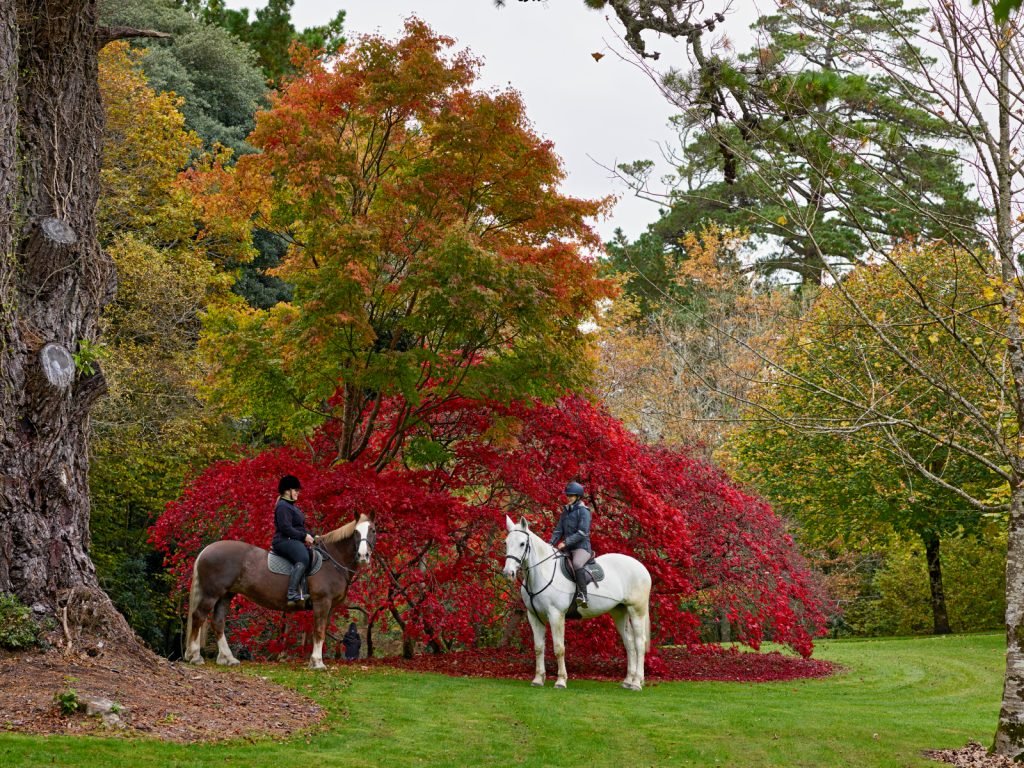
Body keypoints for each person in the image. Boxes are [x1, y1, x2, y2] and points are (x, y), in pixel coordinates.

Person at [271, 474, 313, 608]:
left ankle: (305, 590)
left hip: (292, 540)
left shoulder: (292, 507)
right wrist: (303, 536)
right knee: (303, 557)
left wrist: (314, 536)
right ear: (287, 491)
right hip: (283, 540)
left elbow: (300, 528)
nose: (297, 493)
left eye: (298, 491)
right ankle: (291, 593)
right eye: (296, 490)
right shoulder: (283, 506)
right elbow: (285, 527)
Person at [550, 480, 593, 608]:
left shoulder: (583, 511)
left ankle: (583, 596)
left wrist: (565, 542)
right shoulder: (566, 512)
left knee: (577, 564)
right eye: (568, 495)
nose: (568, 498)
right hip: (568, 549)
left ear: (578, 497)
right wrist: (549, 543)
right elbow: (558, 530)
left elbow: (582, 533)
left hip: (581, 548)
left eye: (571, 496)